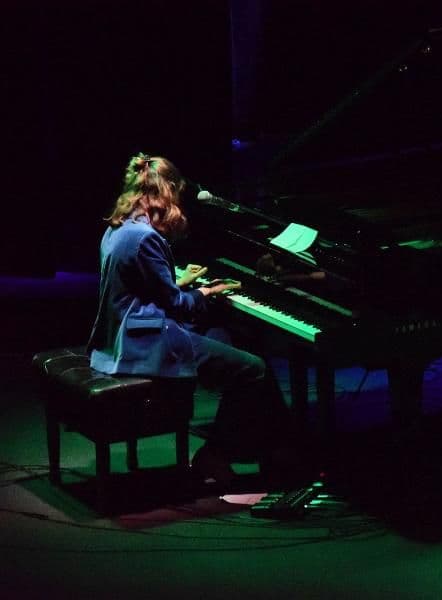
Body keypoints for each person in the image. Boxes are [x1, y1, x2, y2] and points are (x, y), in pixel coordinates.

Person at [86, 153, 295, 486]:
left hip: (119, 337)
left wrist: (180, 283)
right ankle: (218, 453)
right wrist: (206, 292)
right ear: (167, 191)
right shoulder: (146, 238)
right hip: (145, 344)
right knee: (253, 368)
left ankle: (276, 445)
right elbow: (178, 306)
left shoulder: (119, 227)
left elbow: (140, 288)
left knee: (231, 339)